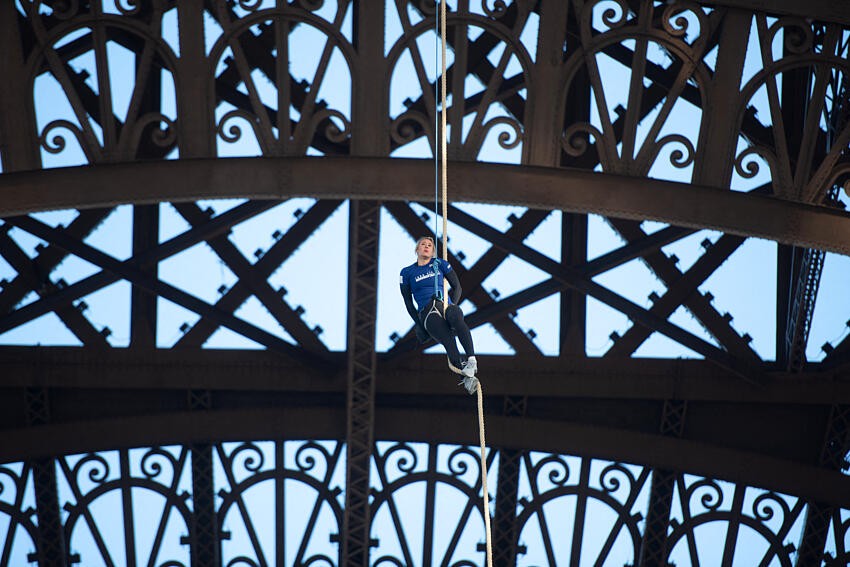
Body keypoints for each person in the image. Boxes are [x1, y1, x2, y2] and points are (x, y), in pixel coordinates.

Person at [400, 236, 479, 394]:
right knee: (448, 340)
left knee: (456, 317)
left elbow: (457, 287)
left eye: (430, 245)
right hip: (428, 312)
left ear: (433, 251)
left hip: (445, 305)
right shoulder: (407, 272)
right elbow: (408, 303)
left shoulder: (440, 264)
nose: (426, 247)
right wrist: (419, 324)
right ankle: (465, 377)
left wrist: (452, 304)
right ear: (417, 249)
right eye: (423, 244)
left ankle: (471, 359)